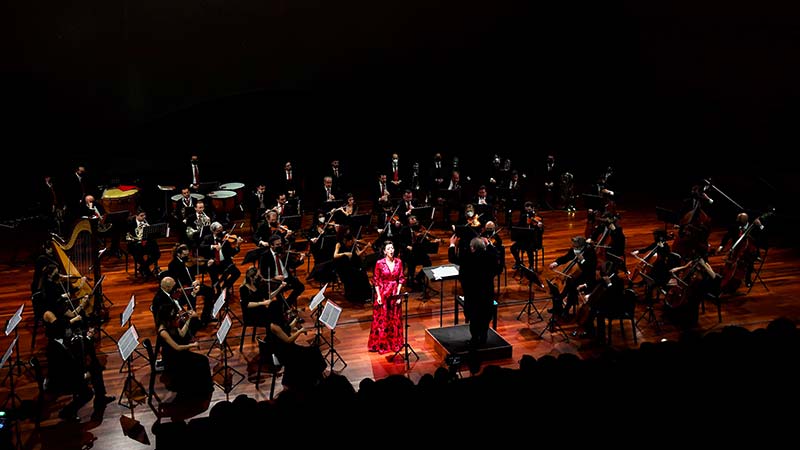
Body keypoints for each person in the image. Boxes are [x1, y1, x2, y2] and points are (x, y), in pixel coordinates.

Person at [42, 265, 114, 421]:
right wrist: (82, 306)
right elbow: (65, 325)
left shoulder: (56, 302)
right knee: (90, 380)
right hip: (64, 354)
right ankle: (68, 411)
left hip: (67, 342)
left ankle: (101, 397)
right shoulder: (50, 312)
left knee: (95, 365)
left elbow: (67, 320)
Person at [264, 295, 326, 391]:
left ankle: (315, 377)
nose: (284, 311)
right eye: (281, 310)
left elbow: (288, 328)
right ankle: (314, 379)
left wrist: (296, 320)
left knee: (314, 351)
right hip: (283, 352)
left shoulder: (277, 321)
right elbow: (288, 340)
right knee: (312, 353)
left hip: (288, 348)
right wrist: (300, 331)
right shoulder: (274, 326)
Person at [448, 235, 498, 348]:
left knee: (473, 317)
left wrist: (452, 244)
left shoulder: (468, 258)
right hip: (487, 293)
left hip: (472, 294)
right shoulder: (490, 257)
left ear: (472, 248)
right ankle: (483, 337)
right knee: (485, 316)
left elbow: (453, 258)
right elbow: (495, 254)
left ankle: (475, 339)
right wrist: (489, 244)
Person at [156, 302, 214, 399]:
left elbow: (182, 334)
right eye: (175, 315)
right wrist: (192, 345)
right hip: (173, 358)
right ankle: (203, 387)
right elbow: (177, 347)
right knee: (202, 361)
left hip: (179, 353)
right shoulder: (163, 331)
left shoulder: (172, 323)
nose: (177, 317)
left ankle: (204, 386)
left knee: (203, 360)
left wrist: (189, 319)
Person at [368, 241, 405, 354]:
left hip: (394, 293)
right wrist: (378, 296)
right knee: (383, 319)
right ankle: (382, 343)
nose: (391, 251)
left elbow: (401, 279)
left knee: (394, 318)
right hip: (383, 293)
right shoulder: (379, 263)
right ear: (384, 251)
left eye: (392, 248)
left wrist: (398, 295)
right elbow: (376, 281)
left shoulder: (399, 262)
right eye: (388, 249)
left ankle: (394, 342)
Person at [716, 211, 767, 291]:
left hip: (750, 251)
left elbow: (765, 234)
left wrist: (760, 225)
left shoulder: (753, 227)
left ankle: (748, 279)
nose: (738, 224)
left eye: (740, 223)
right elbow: (727, 236)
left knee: (749, 262)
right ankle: (726, 278)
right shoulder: (735, 226)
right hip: (736, 250)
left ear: (745, 221)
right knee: (732, 263)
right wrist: (721, 246)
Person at [548, 236, 597, 317]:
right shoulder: (574, 250)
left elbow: (591, 269)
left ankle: (566, 308)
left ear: (581, 246)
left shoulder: (590, 252)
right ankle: (557, 307)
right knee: (555, 286)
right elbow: (566, 258)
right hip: (573, 275)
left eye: (575, 246)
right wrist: (556, 263)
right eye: (573, 246)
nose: (573, 247)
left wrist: (582, 260)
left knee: (571, 285)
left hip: (586, 276)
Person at [332, 226, 372, 303]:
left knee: (363, 274)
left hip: (351, 266)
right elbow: (335, 255)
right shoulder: (339, 244)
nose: (352, 242)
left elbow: (358, 254)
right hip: (343, 268)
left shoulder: (352, 243)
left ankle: (365, 296)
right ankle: (355, 296)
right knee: (359, 275)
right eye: (347, 232)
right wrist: (345, 254)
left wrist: (365, 248)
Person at [200, 221, 242, 296]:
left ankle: (225, 286)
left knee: (237, 273)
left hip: (225, 262)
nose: (221, 232)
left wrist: (237, 245)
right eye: (218, 231)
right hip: (213, 262)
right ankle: (218, 291)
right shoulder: (207, 238)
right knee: (213, 273)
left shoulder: (225, 238)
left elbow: (231, 252)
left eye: (221, 230)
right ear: (213, 231)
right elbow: (201, 247)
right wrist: (213, 246)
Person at [126, 209, 161, 278]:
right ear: (136, 216)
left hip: (146, 243)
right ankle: (146, 270)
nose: (144, 217)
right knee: (138, 254)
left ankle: (143, 267)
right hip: (134, 244)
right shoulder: (130, 222)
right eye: (141, 216)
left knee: (157, 253)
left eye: (144, 215)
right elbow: (128, 235)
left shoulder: (147, 221)